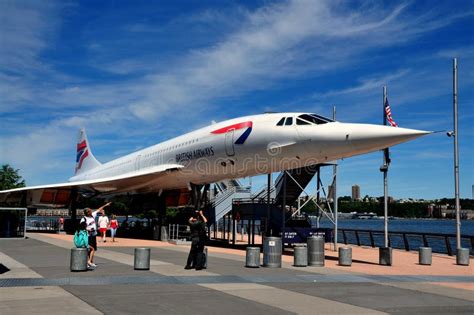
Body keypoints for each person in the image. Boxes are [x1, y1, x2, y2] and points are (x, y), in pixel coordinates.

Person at [80, 202, 111, 267]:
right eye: (90, 211)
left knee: (93, 248)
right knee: (89, 249)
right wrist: (88, 229)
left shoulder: (92, 215)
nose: (91, 212)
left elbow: (99, 209)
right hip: (87, 235)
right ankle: (88, 261)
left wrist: (106, 205)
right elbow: (81, 228)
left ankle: (90, 261)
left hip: (93, 235)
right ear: (87, 212)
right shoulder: (83, 219)